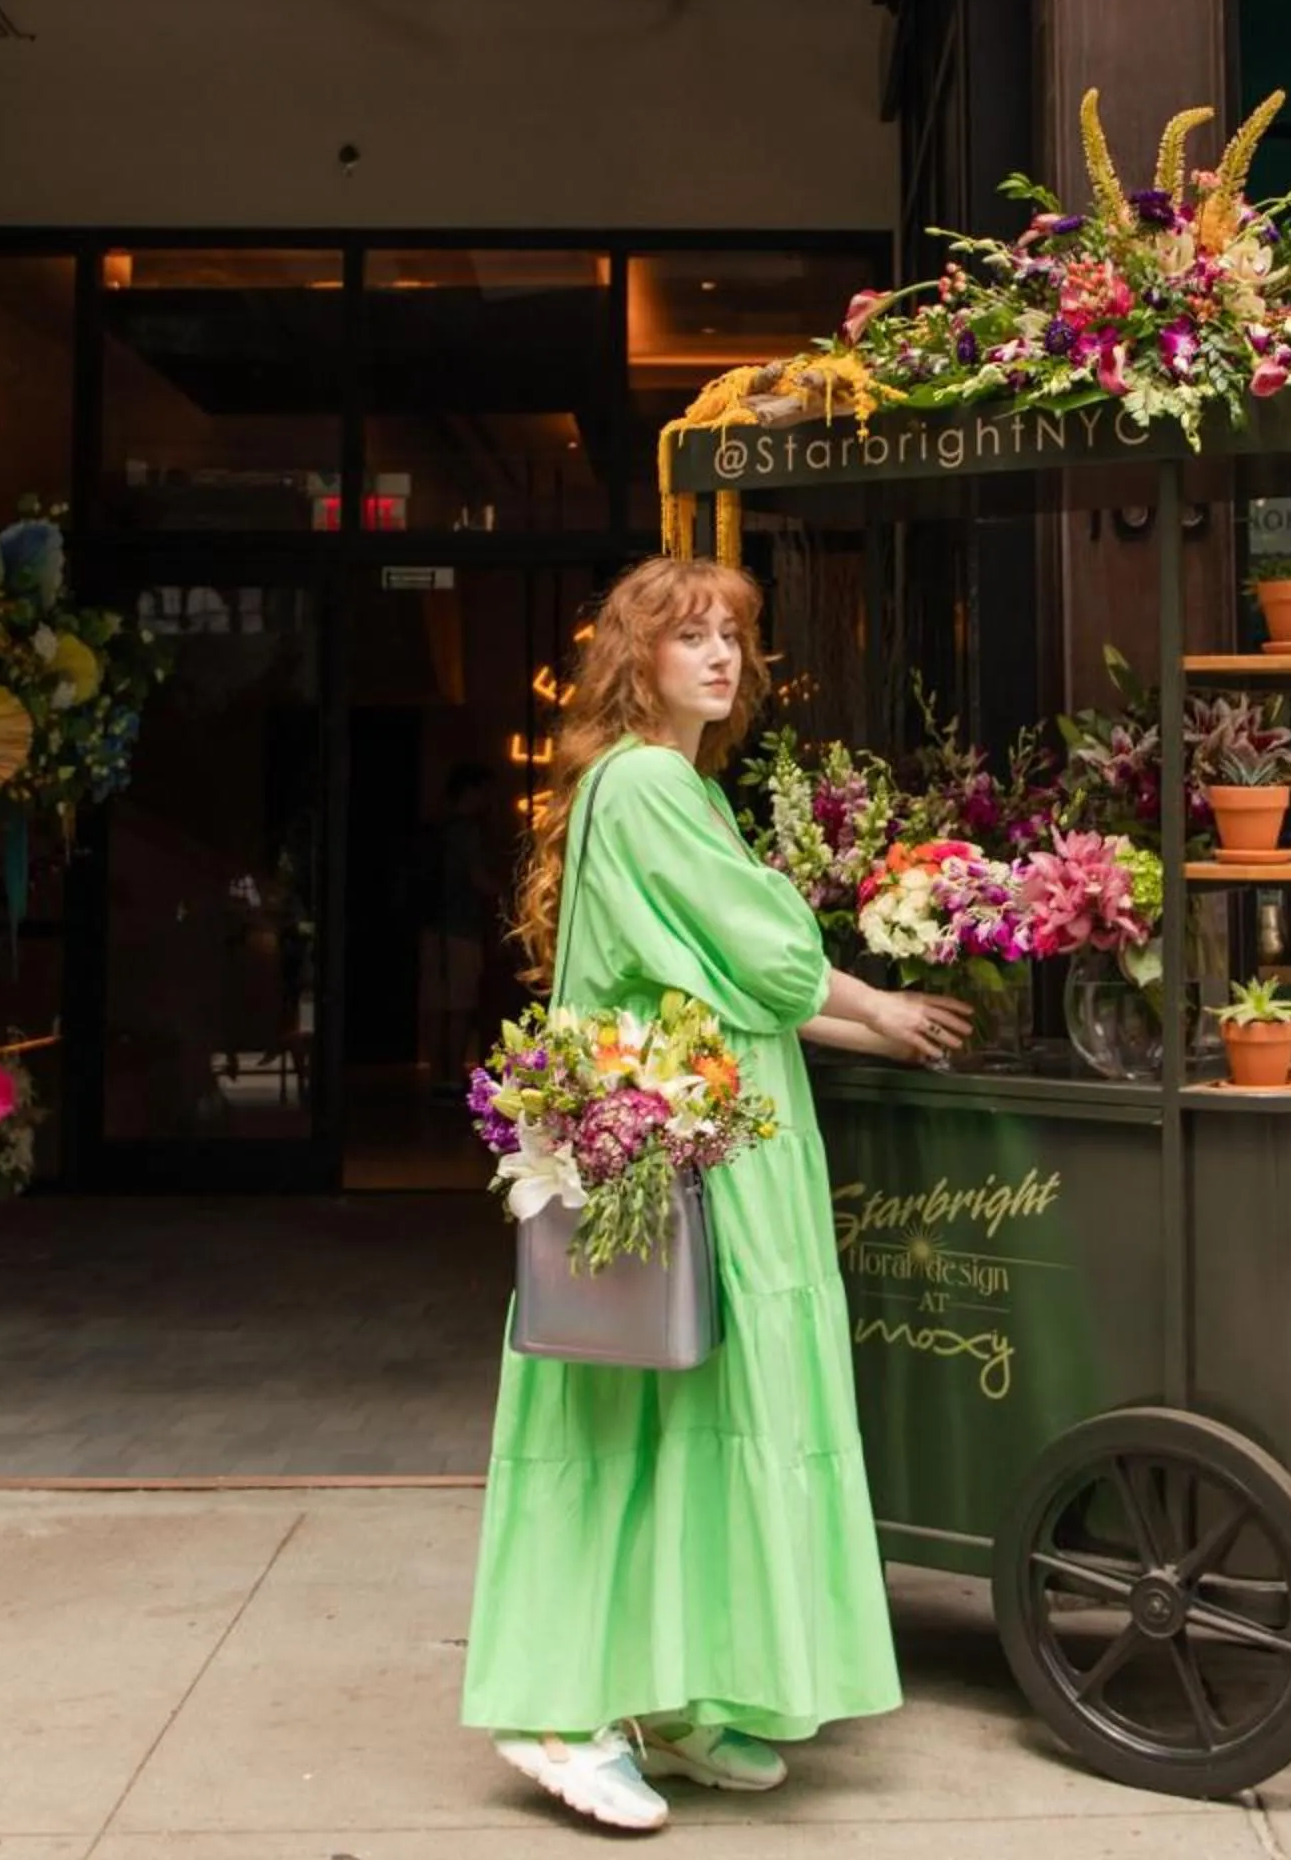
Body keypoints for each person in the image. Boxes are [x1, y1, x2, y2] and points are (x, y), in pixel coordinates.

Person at [462, 556, 973, 1833]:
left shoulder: (675, 787)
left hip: (709, 1128)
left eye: (732, 634)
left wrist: (878, 1020)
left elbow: (738, 980)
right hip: (681, 1146)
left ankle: (675, 1690)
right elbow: (766, 953)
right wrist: (877, 1005)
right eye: (688, 634)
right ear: (635, 658)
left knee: (686, 1411)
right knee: (629, 1417)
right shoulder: (646, 782)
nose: (720, 654)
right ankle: (559, 1710)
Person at [425, 764, 498, 1093]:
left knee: (436, 1005)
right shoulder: (468, 832)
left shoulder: (437, 830)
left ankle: (437, 1075)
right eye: (485, 791)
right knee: (460, 1006)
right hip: (461, 928)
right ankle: (453, 1076)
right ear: (471, 791)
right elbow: (478, 880)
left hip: (432, 926)